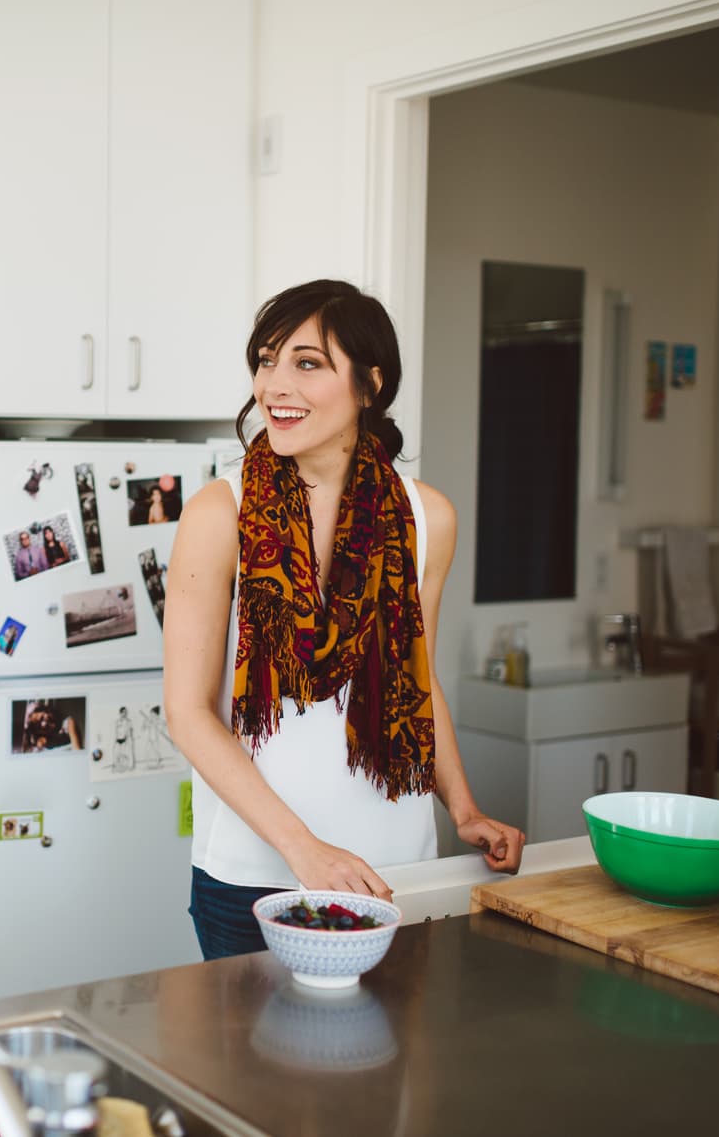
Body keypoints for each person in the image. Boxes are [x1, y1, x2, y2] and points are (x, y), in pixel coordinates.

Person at [162, 279, 524, 961]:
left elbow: (419, 680)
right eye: (266, 360)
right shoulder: (219, 514)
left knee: (385, 1066)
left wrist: (464, 808)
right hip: (253, 876)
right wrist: (305, 851)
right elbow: (186, 713)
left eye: (306, 362)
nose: (274, 383)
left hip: (395, 871)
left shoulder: (427, 517)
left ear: (368, 384)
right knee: (255, 1071)